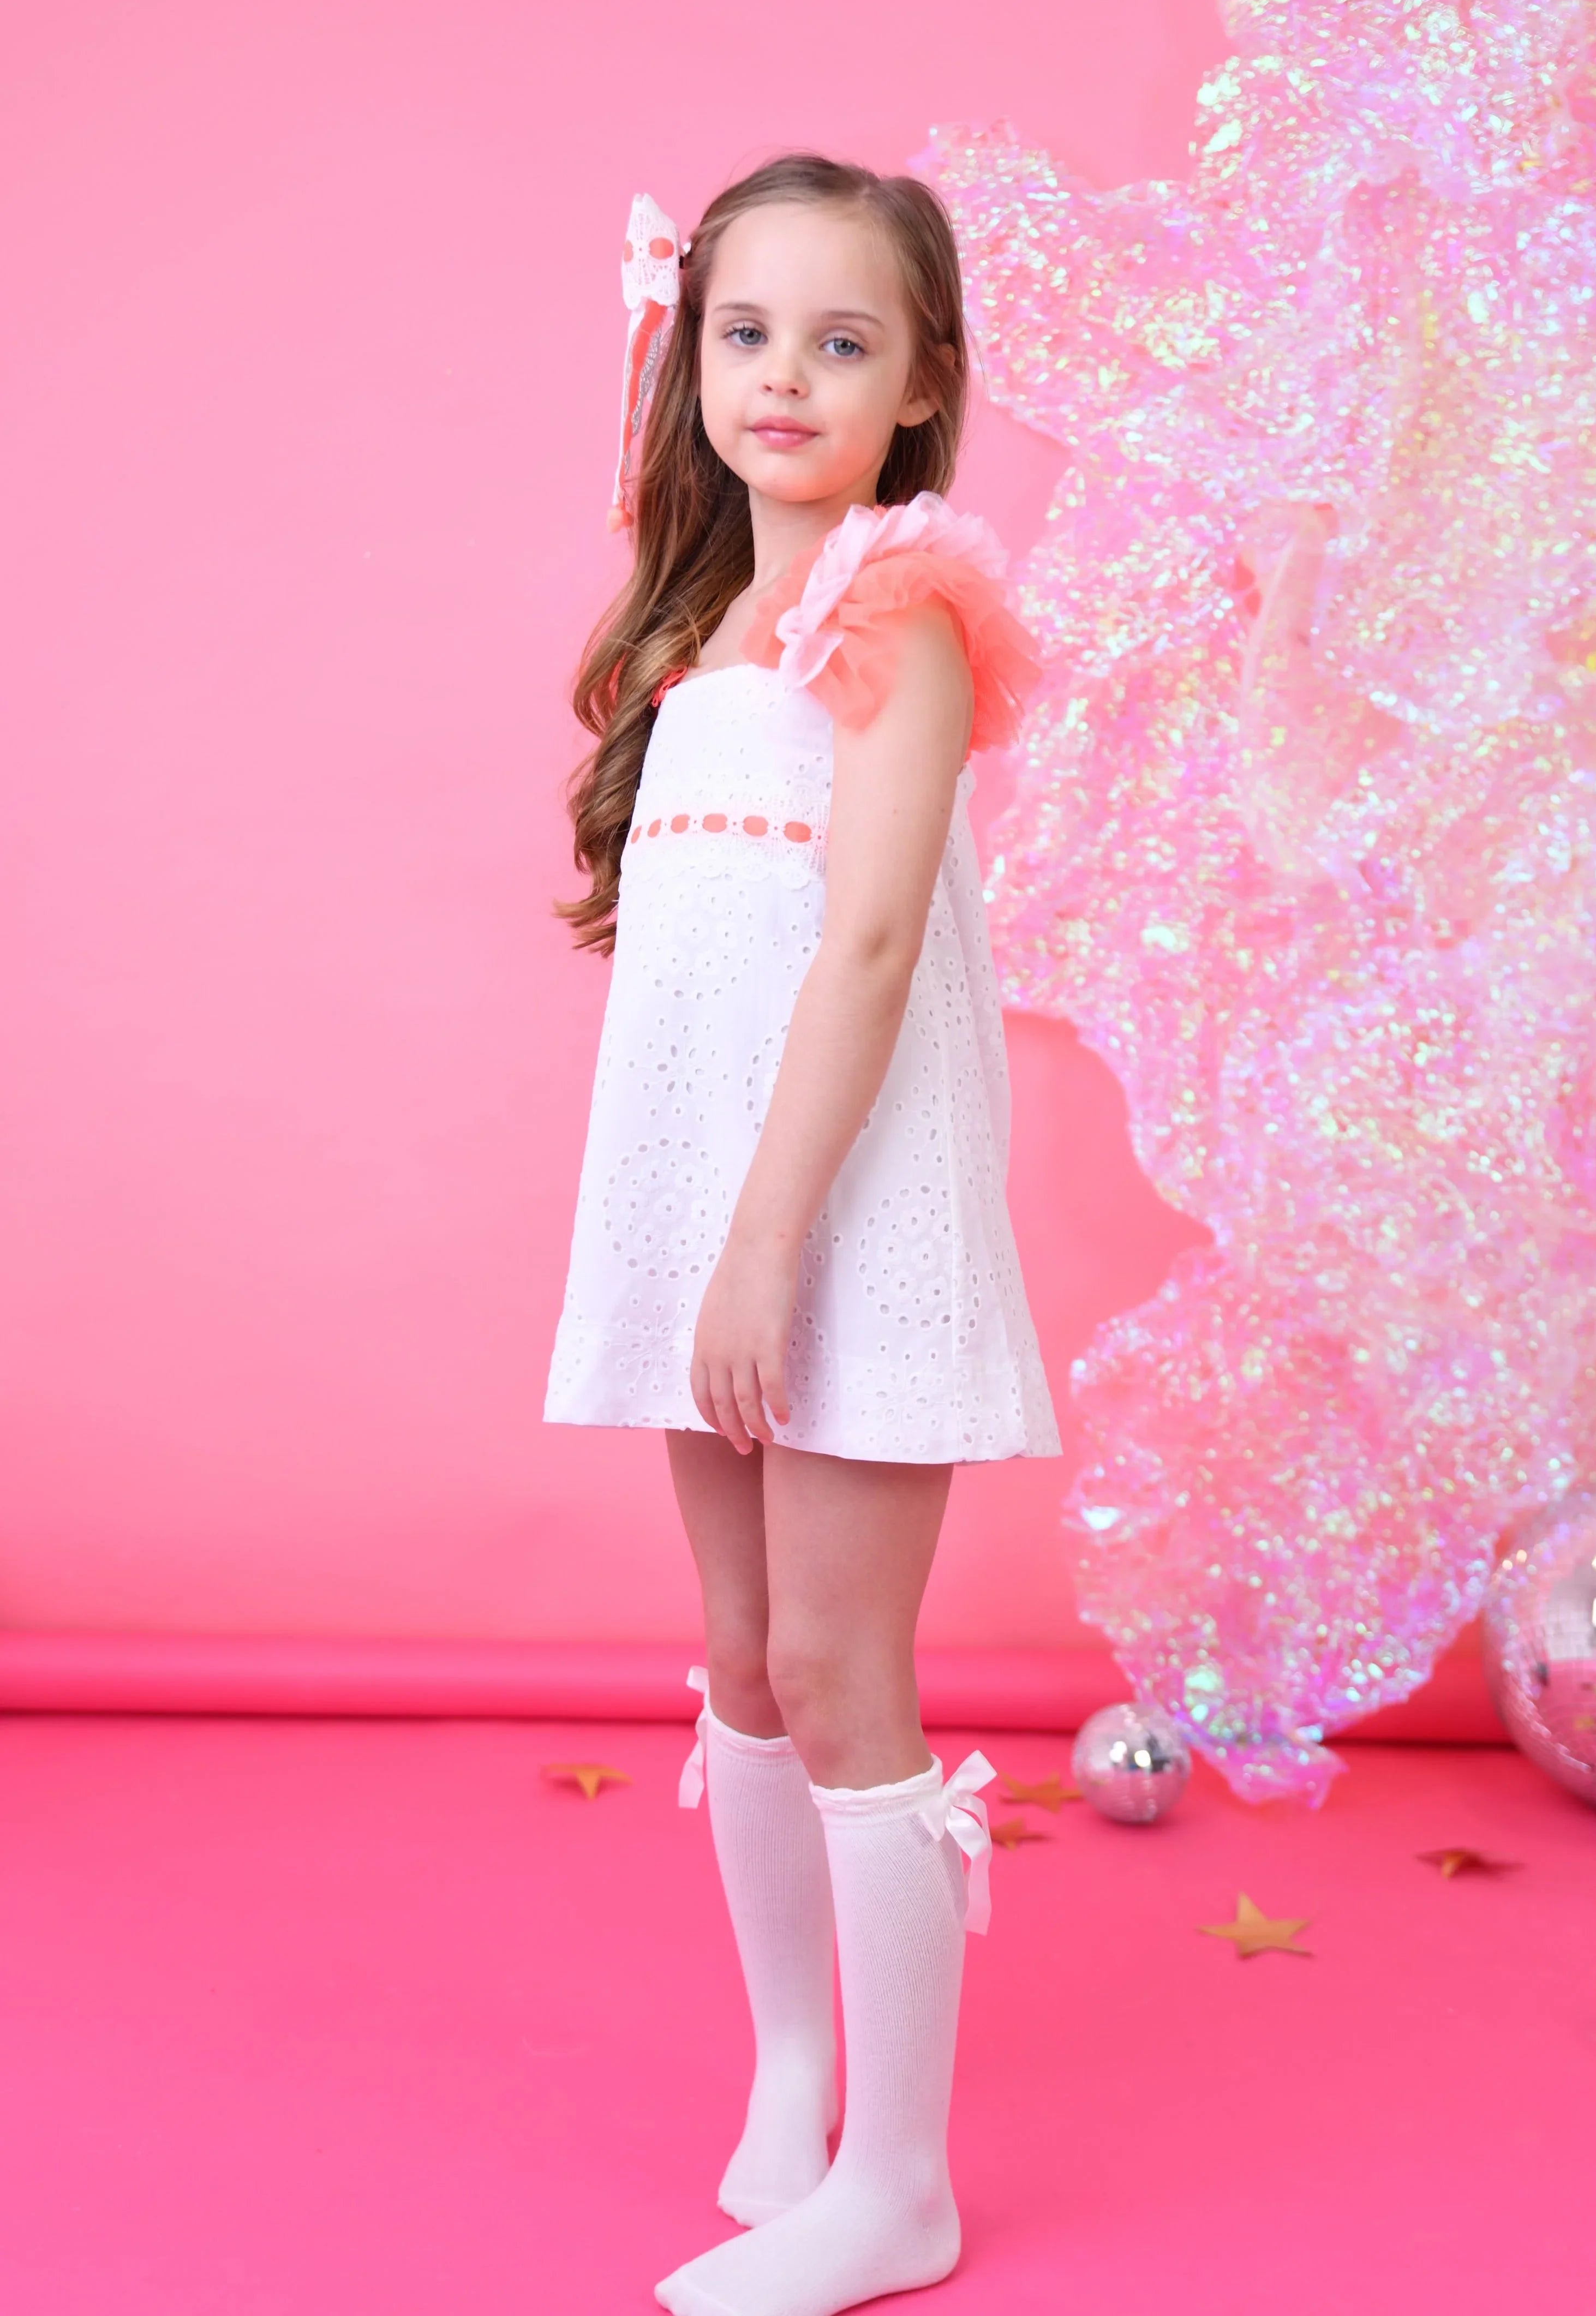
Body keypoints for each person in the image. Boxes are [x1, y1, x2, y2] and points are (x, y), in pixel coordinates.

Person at [544, 152, 1060, 2316]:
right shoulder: (691, 623)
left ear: (919, 378)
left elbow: (860, 951)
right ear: (683, 353)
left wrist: (761, 1244)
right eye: (742, 329)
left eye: (842, 339)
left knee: (849, 1669)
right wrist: (697, 1234)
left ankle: (899, 2173)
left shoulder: (903, 601)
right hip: (703, 1202)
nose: (784, 374)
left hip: (834, 1205)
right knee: (746, 1663)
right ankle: (788, 2072)